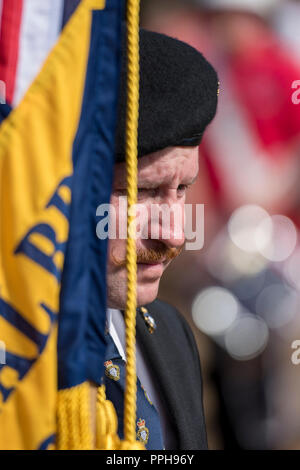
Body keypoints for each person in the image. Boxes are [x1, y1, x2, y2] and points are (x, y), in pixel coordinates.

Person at [100, 28, 219, 450]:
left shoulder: (168, 334)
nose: (173, 234)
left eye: (183, 189)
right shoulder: (17, 358)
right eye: (140, 193)